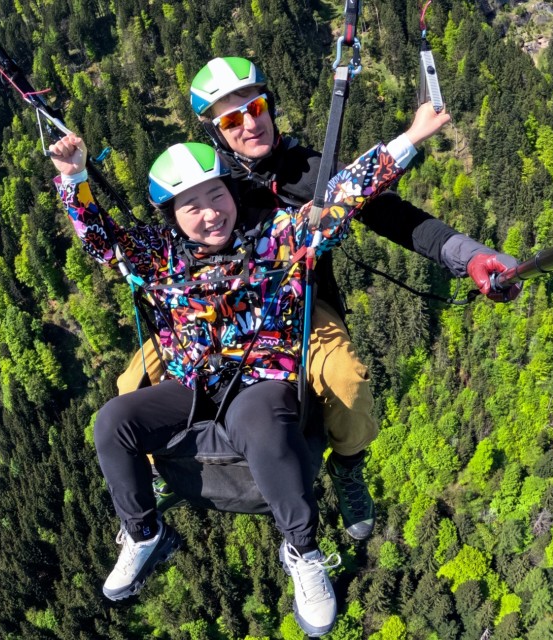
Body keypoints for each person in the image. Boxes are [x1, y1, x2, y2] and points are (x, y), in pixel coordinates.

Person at [49, 102, 451, 636]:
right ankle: (144, 533)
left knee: (261, 426)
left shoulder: (274, 238)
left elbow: (342, 197)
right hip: (192, 382)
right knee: (112, 421)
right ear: (171, 217)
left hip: (259, 380)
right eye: (191, 206)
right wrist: (74, 176)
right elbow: (101, 240)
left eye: (216, 196)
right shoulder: (158, 253)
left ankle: (303, 551)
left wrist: (410, 138)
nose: (211, 213)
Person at [118, 57, 521, 542]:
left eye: (256, 106)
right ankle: (163, 468)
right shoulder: (208, 185)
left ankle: (348, 463)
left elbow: (392, 216)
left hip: (297, 306)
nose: (250, 123)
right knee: (133, 381)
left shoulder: (308, 172)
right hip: (213, 313)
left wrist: (470, 257)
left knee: (346, 382)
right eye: (231, 118)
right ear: (212, 131)